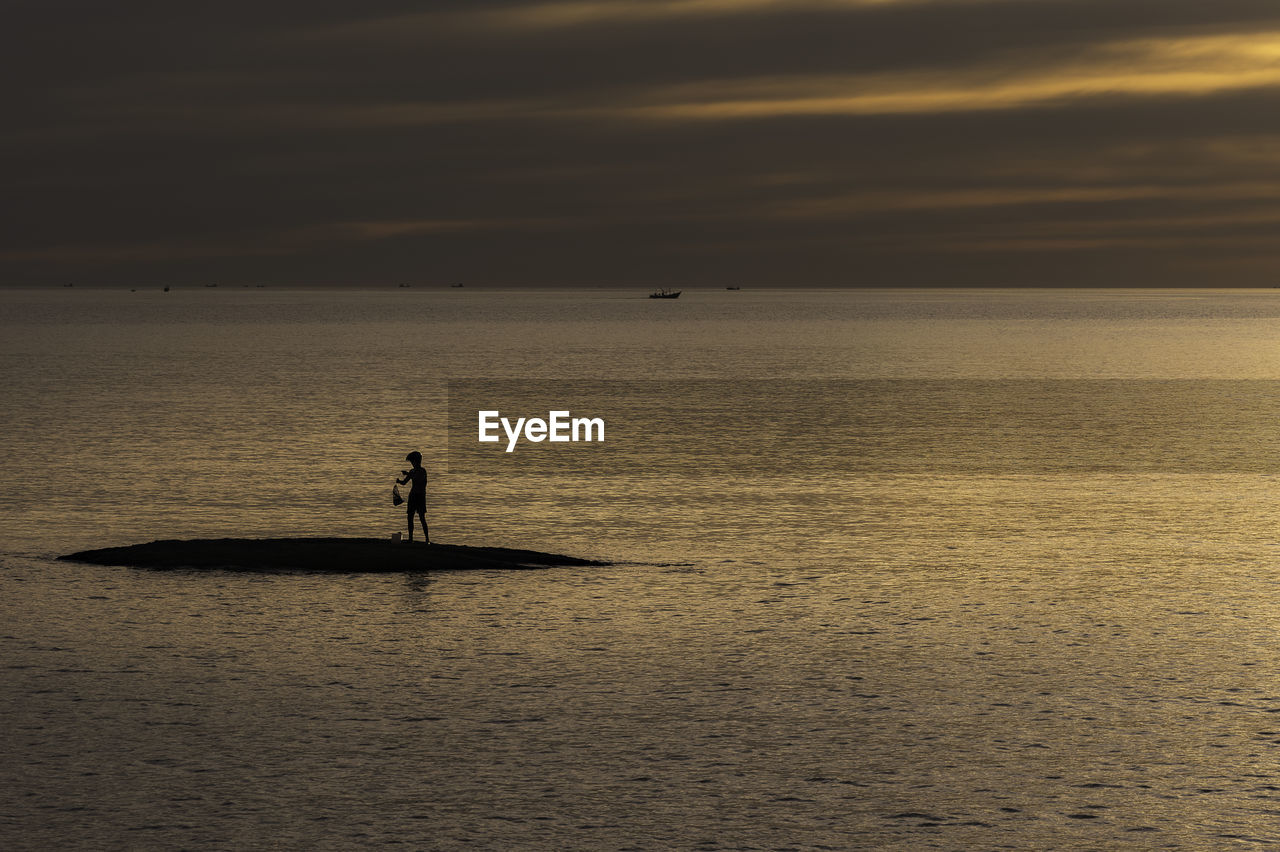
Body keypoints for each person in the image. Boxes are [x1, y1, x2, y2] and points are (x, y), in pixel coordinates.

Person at [396, 451, 429, 543]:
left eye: (412, 462)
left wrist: (408, 474)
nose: (412, 464)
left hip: (420, 497)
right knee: (410, 517)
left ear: (417, 461)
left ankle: (427, 539)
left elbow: (418, 480)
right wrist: (399, 481)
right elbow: (404, 482)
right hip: (412, 496)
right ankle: (411, 538)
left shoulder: (423, 471)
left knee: (422, 518)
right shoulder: (412, 472)